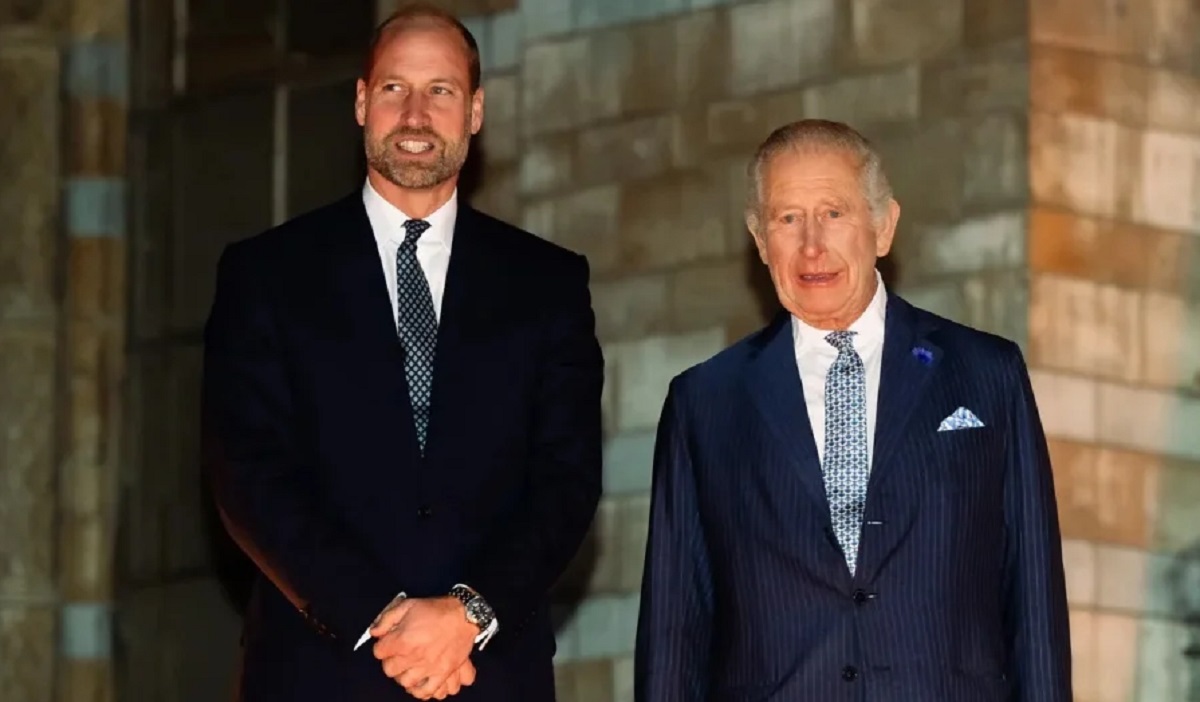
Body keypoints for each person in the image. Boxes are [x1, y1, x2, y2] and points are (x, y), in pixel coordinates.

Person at [200, 4, 604, 701]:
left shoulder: (549, 283)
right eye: (394, 88)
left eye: (441, 90)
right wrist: (381, 618)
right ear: (361, 101)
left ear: (475, 111)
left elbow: (565, 482)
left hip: (488, 673)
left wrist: (466, 616)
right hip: (316, 672)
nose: (415, 114)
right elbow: (248, 473)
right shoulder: (266, 275)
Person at [634, 119, 1071, 701]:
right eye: (788, 219)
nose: (811, 244)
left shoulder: (986, 375)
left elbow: (1034, 600)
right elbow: (674, 630)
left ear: (884, 226)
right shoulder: (705, 404)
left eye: (834, 213)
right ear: (760, 242)